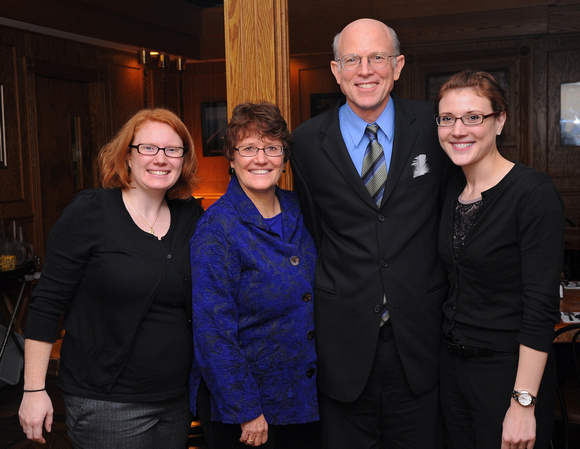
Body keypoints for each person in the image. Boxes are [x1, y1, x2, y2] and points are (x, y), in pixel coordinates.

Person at [291, 18, 453, 449]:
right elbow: (313, 228)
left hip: (420, 338)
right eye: (352, 59)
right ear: (336, 70)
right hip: (342, 341)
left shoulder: (436, 127)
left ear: (397, 66)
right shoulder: (305, 142)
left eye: (377, 57)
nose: (365, 70)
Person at [18, 108, 204, 448]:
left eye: (172, 150)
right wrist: (33, 388)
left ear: (183, 160)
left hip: (176, 399)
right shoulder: (91, 211)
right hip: (107, 403)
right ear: (127, 156)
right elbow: (47, 303)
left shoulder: (191, 216)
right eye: (148, 148)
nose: (160, 159)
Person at [435, 70, 564, 449]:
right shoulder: (452, 191)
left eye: (474, 117)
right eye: (448, 119)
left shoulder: (533, 193)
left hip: (508, 375)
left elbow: (541, 306)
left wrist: (523, 403)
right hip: (453, 373)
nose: (459, 130)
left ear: (500, 120)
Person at [189, 102, 319, 449]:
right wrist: (246, 410)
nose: (261, 158)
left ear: (284, 156)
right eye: (248, 148)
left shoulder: (298, 208)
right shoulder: (216, 229)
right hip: (250, 412)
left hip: (304, 401)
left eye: (272, 148)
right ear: (231, 158)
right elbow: (212, 330)